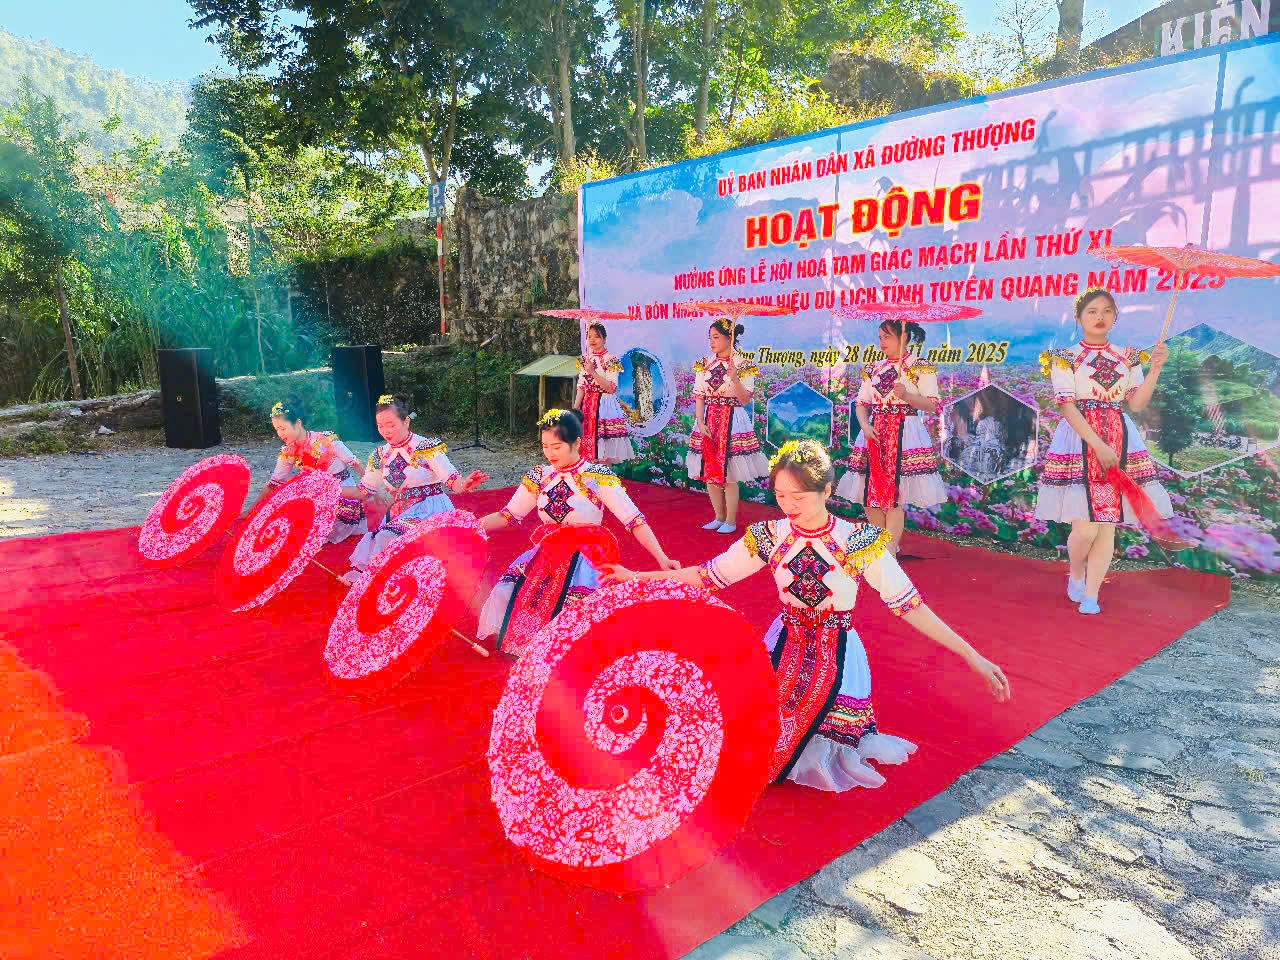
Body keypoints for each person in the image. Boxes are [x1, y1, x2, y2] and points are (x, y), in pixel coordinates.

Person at [604, 439, 1010, 793]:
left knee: (784, 752)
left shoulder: (858, 541)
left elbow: (909, 604)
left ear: (827, 490)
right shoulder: (769, 536)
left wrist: (972, 656)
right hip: (785, 645)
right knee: (738, 738)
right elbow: (709, 576)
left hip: (837, 656)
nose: (789, 505)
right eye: (781, 495)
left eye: (799, 496)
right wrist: (636, 576)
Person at [477, 408, 679, 653]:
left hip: (585, 560)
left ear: (577, 443)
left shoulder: (597, 476)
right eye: (545, 446)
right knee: (506, 593)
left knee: (582, 624)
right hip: (546, 557)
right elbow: (507, 516)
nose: (549, 453)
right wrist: (471, 526)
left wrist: (662, 557)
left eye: (557, 446)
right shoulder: (539, 476)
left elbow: (634, 520)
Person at [1035, 288, 1172, 614]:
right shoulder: (1064, 357)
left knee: (1107, 523)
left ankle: (1092, 595)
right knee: (1085, 527)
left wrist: (1155, 369)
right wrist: (1097, 445)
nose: (1100, 317)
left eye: (1107, 311)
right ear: (1079, 317)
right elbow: (1067, 406)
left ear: (1115, 316)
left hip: (1120, 436)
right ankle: (1076, 571)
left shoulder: (1129, 356)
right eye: (1092, 311)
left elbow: (1136, 403)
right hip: (1079, 440)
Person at [343, 394, 488, 581]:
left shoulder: (426, 447)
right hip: (399, 511)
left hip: (430, 509)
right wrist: (331, 489)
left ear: (406, 421)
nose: (385, 431)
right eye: (380, 425)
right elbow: (362, 491)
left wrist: (464, 484)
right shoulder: (379, 455)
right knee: (383, 537)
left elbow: (452, 479)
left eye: (391, 424)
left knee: (388, 536)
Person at [836, 318, 946, 554]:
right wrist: (865, 425)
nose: (882, 342)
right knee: (869, 496)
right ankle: (882, 544)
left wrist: (906, 395)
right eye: (880, 337)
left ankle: (889, 551)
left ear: (903, 337)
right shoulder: (874, 368)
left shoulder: (920, 366)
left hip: (904, 433)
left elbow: (931, 405)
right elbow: (862, 403)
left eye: (887, 337)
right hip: (874, 433)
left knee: (894, 498)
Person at [686, 318, 770, 534]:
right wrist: (700, 421)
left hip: (732, 419)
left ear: (729, 338)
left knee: (729, 474)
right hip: (708, 418)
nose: (712, 342)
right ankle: (718, 517)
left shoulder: (743, 364)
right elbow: (699, 395)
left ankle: (730, 521)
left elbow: (745, 399)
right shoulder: (704, 363)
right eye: (710, 338)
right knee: (709, 469)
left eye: (716, 337)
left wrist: (735, 379)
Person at [248, 397, 368, 543]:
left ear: (298, 423)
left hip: (341, 495)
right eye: (277, 429)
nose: (280, 434)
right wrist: (251, 510)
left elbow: (355, 463)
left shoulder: (325, 438)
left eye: (283, 428)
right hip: (316, 495)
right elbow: (274, 482)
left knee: (306, 528)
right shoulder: (288, 450)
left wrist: (369, 489)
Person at [574, 322, 634, 464]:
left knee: (603, 450)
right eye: (589, 336)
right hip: (587, 406)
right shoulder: (584, 360)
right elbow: (581, 386)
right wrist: (575, 408)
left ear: (604, 339)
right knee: (585, 446)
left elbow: (611, 388)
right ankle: (590, 476)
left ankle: (604, 476)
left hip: (603, 405)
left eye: (597, 336)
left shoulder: (611, 360)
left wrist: (592, 372)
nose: (592, 340)